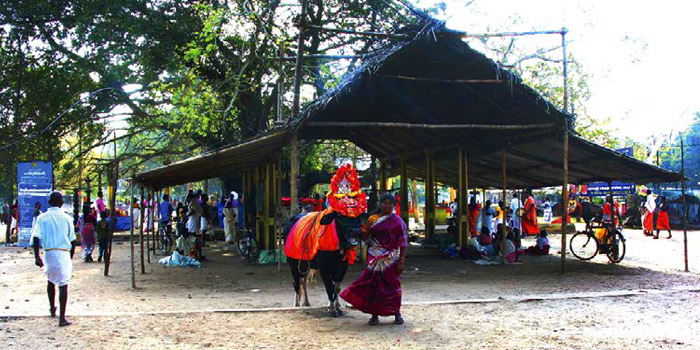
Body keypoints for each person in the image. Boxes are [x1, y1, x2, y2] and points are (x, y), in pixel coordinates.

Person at [340, 193, 407, 326]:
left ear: (393, 205)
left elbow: (403, 243)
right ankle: (374, 315)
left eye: (389, 203)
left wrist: (401, 261)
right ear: (380, 204)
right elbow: (365, 237)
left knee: (392, 286)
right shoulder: (372, 219)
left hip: (391, 258)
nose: (386, 206)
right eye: (384, 203)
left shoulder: (398, 222)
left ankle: (396, 313)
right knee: (373, 286)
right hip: (374, 256)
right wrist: (357, 230)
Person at [31, 191, 76, 327]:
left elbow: (36, 237)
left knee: (50, 280)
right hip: (63, 252)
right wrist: (70, 256)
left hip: (49, 252)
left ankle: (52, 309)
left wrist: (37, 256)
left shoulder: (42, 218)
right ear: (61, 203)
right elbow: (72, 240)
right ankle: (62, 318)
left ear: (49, 202)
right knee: (63, 284)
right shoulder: (67, 218)